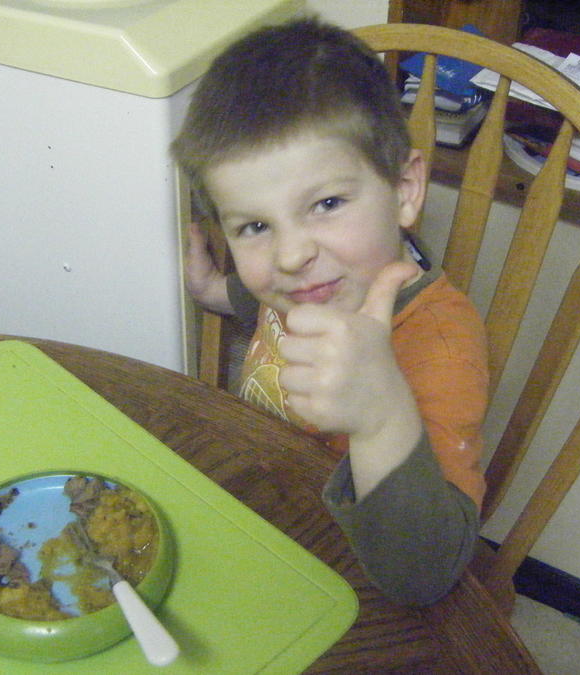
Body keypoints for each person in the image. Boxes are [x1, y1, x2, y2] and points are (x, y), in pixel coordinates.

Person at [171, 18, 489, 606]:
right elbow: (259, 299)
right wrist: (214, 289)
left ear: (404, 190)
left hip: (350, 569)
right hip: (265, 507)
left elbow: (424, 576)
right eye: (255, 226)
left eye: (327, 203)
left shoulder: (441, 344)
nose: (290, 256)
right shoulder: (313, 284)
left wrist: (382, 417)